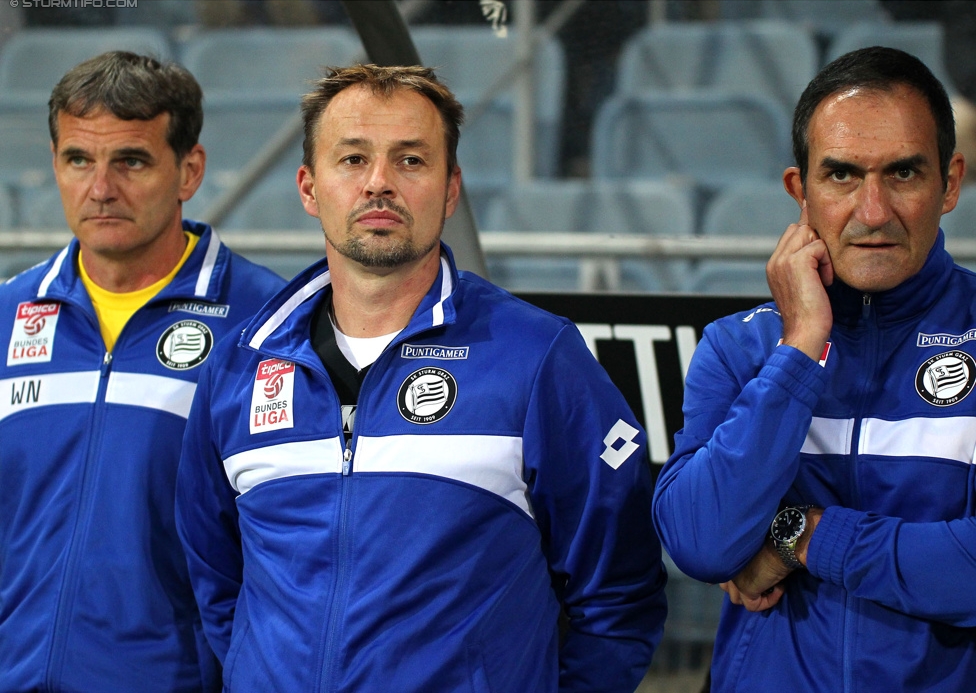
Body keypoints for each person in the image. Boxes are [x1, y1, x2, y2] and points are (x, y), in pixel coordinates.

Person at [175, 63, 667, 692]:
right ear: (308, 186)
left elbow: (619, 598)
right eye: (352, 160)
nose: (379, 183)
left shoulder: (537, 357)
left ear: (451, 186)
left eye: (411, 161)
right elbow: (217, 587)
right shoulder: (239, 366)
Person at [653, 45, 976, 691]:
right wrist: (800, 344)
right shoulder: (739, 348)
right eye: (843, 175)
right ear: (799, 189)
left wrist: (804, 534)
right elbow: (699, 542)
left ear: (950, 183)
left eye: (905, 174)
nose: (874, 210)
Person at [0, 51, 285, 691]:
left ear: (189, 170)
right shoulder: (5, 316)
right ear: (55, 166)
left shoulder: (264, 326)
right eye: (79, 160)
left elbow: (293, 547)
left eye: (130, 160)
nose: (101, 188)